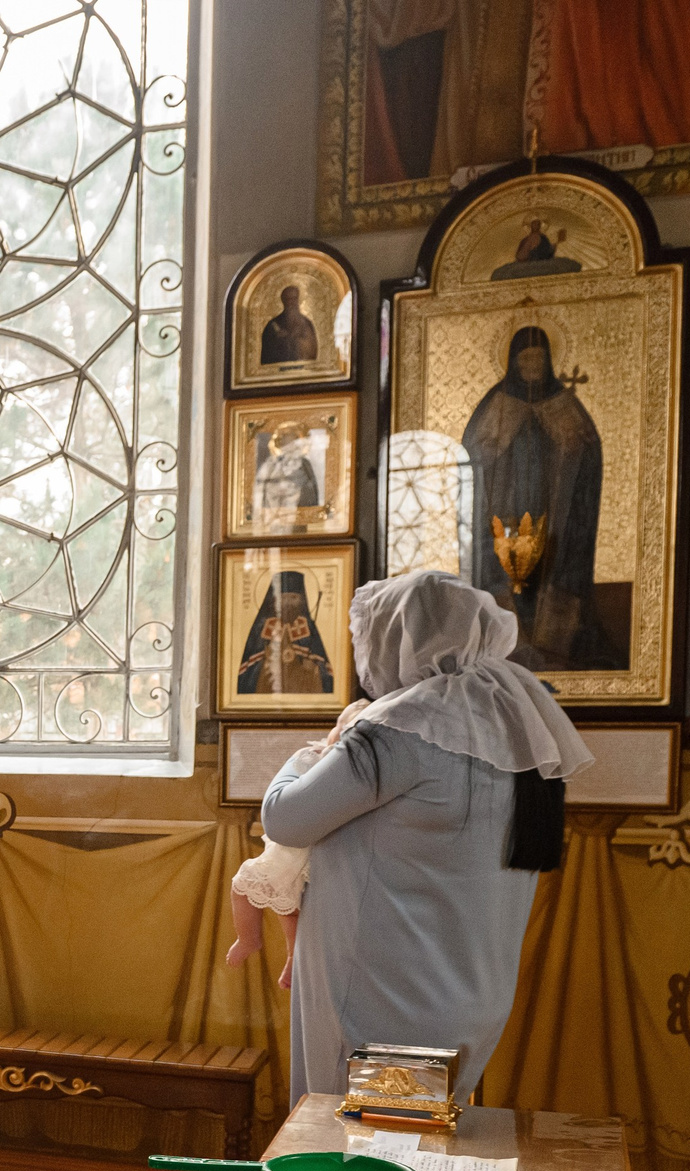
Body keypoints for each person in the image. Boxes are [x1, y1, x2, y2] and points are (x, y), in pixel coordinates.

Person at [261, 573, 592, 1102]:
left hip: (379, 997)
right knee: (424, 1157)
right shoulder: (513, 723)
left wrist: (311, 754)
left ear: (396, 640)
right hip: (468, 993)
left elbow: (285, 817)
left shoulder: (399, 728)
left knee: (352, 1159)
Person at [462, 326, 608, 672]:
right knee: (502, 572)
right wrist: (496, 445)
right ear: (512, 361)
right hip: (503, 511)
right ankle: (502, 643)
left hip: (554, 514)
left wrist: (572, 448)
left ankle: (555, 642)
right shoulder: (495, 404)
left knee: (551, 569)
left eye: (538, 358)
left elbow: (589, 454)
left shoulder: (565, 404)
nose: (531, 365)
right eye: (525, 358)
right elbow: (468, 459)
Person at [226, 697, 370, 987]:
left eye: (343, 729)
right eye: (337, 726)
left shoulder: (319, 757)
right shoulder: (343, 766)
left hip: (294, 853)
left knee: (242, 885)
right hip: (310, 854)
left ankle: (248, 938)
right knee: (289, 910)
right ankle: (293, 959)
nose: (336, 734)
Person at [233, 568, 335, 697]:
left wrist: (314, 667)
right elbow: (249, 668)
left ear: (303, 601)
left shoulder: (308, 627)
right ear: (273, 601)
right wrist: (266, 663)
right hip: (267, 686)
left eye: (293, 597)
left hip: (302, 689)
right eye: (283, 598)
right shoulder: (263, 626)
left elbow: (322, 666)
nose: (288, 603)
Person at [258, 285, 319, 367]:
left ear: (298, 300)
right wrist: (279, 341)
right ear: (283, 301)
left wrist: (294, 340)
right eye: (288, 299)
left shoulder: (306, 323)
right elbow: (267, 355)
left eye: (294, 298)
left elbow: (311, 350)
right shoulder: (272, 325)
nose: (291, 302)